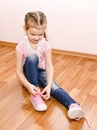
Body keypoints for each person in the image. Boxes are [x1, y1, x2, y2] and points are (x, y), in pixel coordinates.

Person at [16, 11, 86, 121]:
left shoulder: (46, 45)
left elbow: (49, 66)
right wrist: (29, 86)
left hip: (41, 71)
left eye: (40, 34)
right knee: (33, 57)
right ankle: (35, 95)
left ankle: (73, 105)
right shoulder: (20, 47)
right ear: (25, 28)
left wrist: (48, 86)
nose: (37, 37)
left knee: (54, 87)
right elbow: (19, 71)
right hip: (28, 71)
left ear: (44, 31)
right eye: (33, 34)